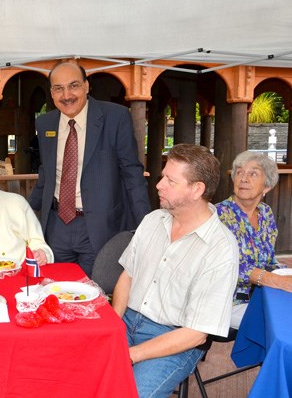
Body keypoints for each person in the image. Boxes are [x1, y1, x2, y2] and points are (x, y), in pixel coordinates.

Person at [112, 144, 239, 397]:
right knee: (79, 374)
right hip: (125, 322)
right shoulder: (152, 220)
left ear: (197, 189)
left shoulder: (221, 248)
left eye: (170, 180)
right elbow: (128, 276)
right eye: (162, 177)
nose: (159, 185)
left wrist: (129, 355)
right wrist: (113, 325)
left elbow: (195, 334)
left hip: (175, 340)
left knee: (127, 393)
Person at [28, 62, 150, 276]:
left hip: (100, 226)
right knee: (54, 288)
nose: (66, 95)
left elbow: (132, 174)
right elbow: (46, 172)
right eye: (59, 88)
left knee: (94, 293)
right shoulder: (45, 123)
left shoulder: (116, 117)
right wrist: (23, 212)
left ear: (86, 86)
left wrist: (147, 226)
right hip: (56, 227)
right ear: (52, 92)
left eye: (73, 85)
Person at [216, 151, 292, 329]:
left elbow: (269, 261)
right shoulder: (218, 215)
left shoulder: (265, 213)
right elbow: (230, 267)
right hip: (228, 301)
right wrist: (278, 281)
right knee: (280, 325)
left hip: (261, 295)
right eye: (240, 172)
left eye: (253, 173)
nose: (243, 178)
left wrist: (286, 274)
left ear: (267, 186)